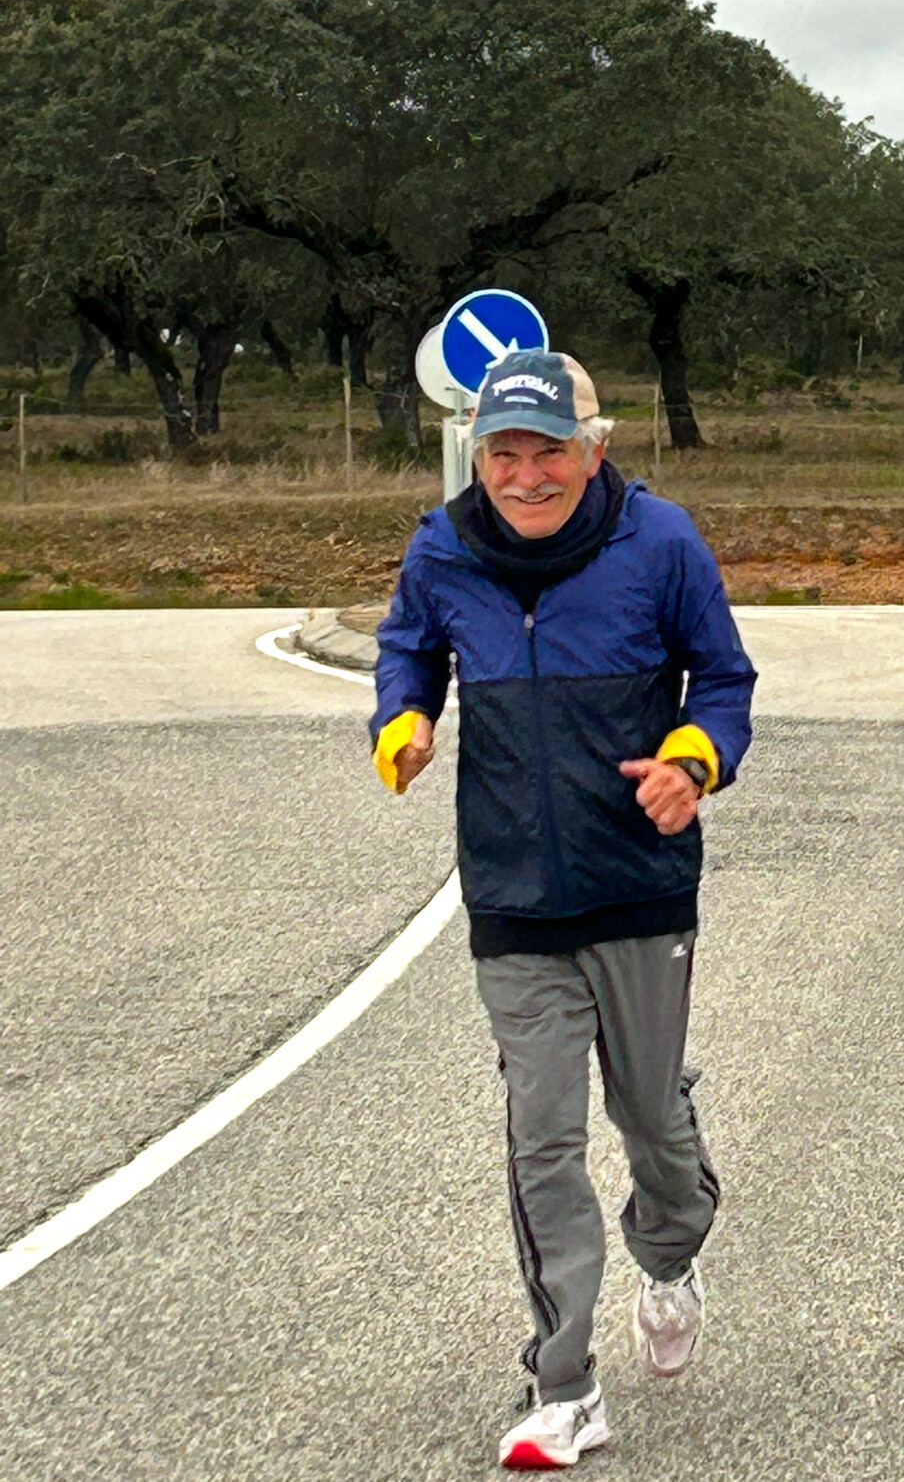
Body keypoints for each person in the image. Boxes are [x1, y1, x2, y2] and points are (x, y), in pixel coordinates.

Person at [370, 348, 756, 1469]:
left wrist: (695, 760)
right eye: (505, 452)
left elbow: (722, 679)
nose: (526, 475)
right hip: (513, 897)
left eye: (549, 451)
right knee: (543, 1139)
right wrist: (403, 721)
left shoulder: (660, 542)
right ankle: (565, 1384)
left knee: (652, 1122)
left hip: (639, 886)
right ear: (476, 456)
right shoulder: (442, 548)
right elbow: (407, 651)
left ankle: (671, 1254)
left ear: (593, 451)